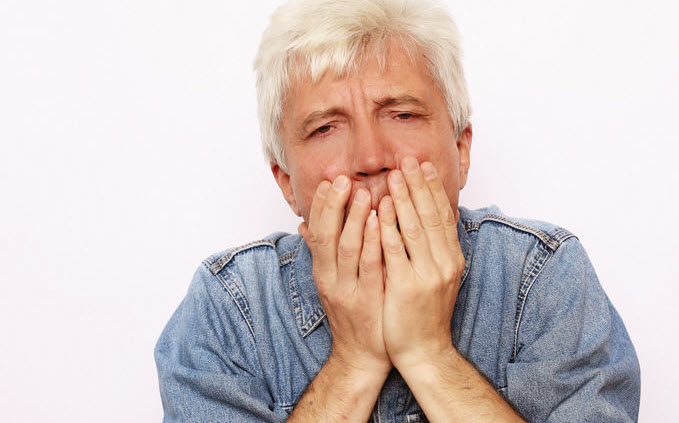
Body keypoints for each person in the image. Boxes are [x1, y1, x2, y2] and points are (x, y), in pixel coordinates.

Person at [154, 0, 641, 421]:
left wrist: (429, 354)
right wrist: (354, 361)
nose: (370, 158)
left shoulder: (543, 275)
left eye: (403, 114)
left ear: (461, 149)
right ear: (286, 182)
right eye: (325, 128)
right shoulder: (227, 306)